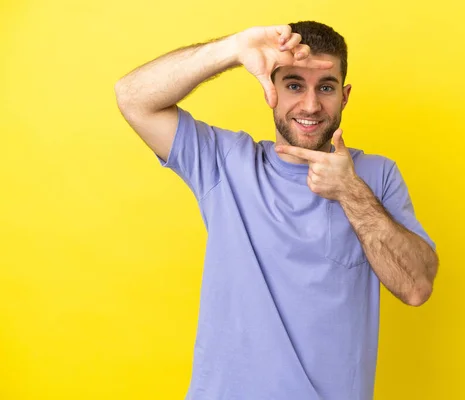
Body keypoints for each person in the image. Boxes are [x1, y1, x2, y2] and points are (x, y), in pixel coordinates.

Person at [115, 21, 439, 400]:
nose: (311, 104)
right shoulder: (224, 162)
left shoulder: (376, 176)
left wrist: (350, 192)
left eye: (326, 87)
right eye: (294, 85)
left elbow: (416, 287)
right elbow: (132, 97)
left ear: (345, 95)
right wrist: (233, 49)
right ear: (270, 89)